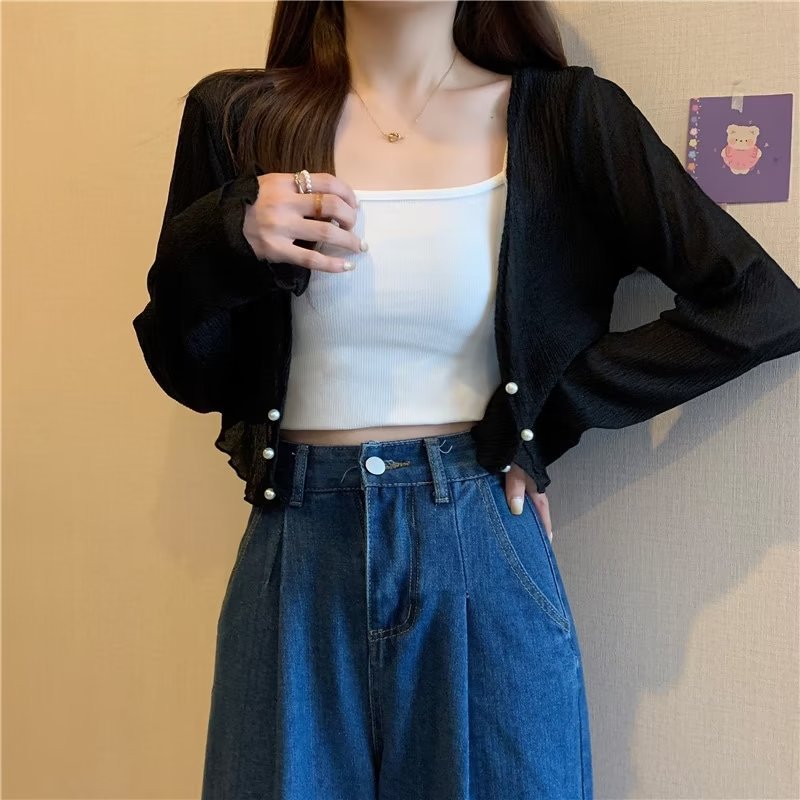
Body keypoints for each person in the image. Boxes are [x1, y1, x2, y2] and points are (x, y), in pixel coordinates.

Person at [132, 1, 800, 798]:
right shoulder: (239, 118)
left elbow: (759, 306)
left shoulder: (565, 118)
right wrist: (225, 236)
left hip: (480, 542)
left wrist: (543, 419)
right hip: (296, 556)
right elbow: (189, 372)